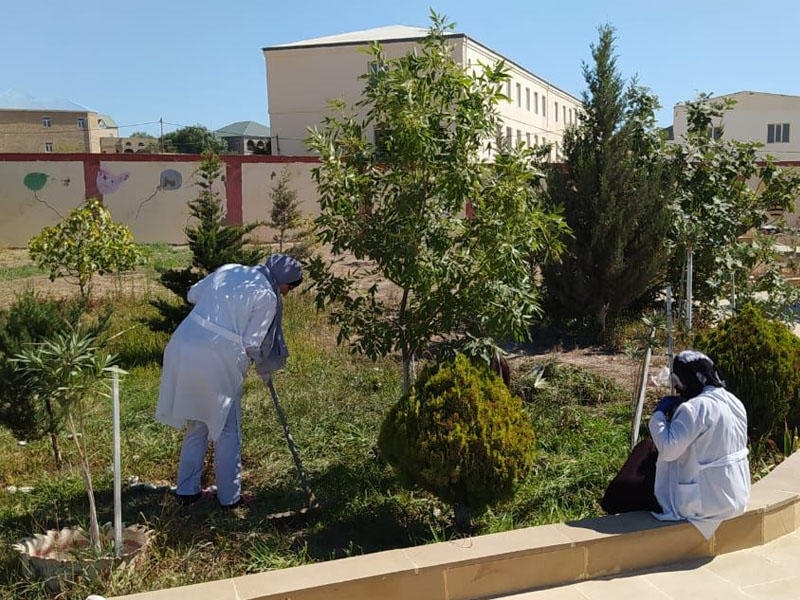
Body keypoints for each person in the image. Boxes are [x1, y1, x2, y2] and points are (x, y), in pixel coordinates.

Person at [155, 254, 303, 508]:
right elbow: (251, 343)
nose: (287, 293)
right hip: (217, 357)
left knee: (198, 421)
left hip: (184, 344)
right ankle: (230, 498)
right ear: (283, 280)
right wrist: (264, 366)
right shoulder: (267, 296)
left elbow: (192, 295)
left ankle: (187, 491)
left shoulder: (230, 270)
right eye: (290, 286)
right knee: (228, 430)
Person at [648, 350, 750, 539]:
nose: (677, 388)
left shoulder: (694, 408)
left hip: (706, 505)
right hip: (737, 496)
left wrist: (658, 416)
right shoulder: (734, 401)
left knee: (642, 470)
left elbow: (669, 450)